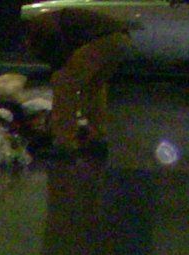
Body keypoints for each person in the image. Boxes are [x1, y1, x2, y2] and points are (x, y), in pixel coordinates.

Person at [23, 7, 133, 158]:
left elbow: (59, 54)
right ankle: (97, 140)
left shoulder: (42, 23)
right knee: (94, 86)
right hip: (122, 39)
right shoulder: (58, 21)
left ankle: (64, 143)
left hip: (103, 40)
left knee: (63, 83)